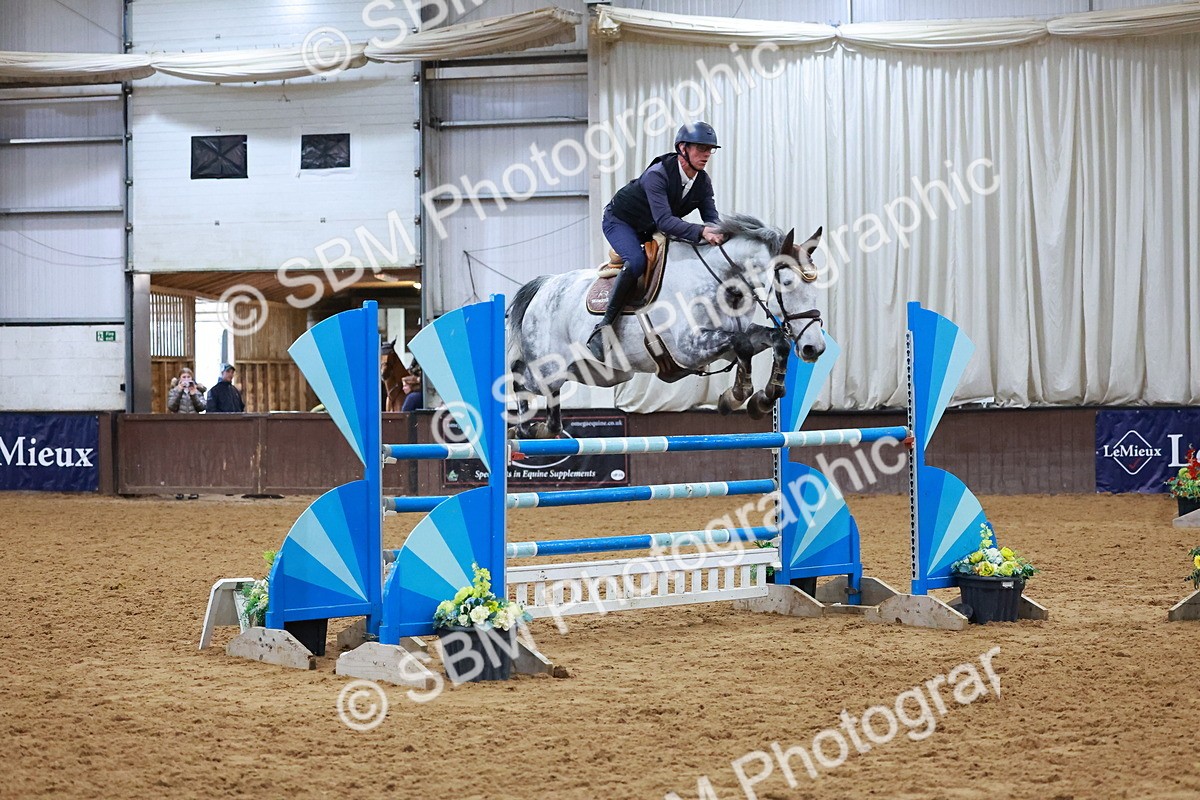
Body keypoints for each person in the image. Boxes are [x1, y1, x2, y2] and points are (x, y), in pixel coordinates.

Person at [587, 121, 726, 361]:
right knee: (637, 262)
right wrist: (702, 231)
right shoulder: (657, 175)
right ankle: (603, 328)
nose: (706, 155)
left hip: (650, 225)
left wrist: (722, 233)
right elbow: (664, 222)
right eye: (700, 148)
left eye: (709, 150)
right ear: (683, 148)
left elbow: (711, 218)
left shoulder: (702, 182)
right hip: (621, 222)